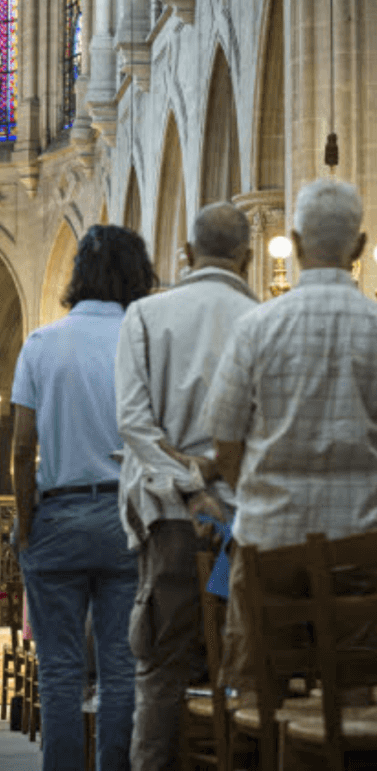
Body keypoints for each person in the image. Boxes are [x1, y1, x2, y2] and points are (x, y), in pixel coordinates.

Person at [204, 178, 377, 689]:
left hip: (269, 543)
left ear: (295, 245)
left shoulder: (256, 328)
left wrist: (257, 493)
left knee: (258, 692)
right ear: (360, 247)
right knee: (356, 693)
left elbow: (225, 442)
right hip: (363, 546)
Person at [114, 202, 258, 770]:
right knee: (241, 670)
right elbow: (259, 430)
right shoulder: (262, 319)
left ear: (187, 254)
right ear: (247, 256)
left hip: (167, 520)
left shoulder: (147, 316)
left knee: (159, 673)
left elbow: (132, 421)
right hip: (240, 528)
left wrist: (184, 481)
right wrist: (212, 478)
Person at [11, 224, 156, 771]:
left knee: (61, 672)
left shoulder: (43, 343)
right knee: (121, 669)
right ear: (137, 274)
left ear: (77, 276)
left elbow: (23, 449)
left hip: (60, 513)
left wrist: (28, 524)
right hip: (127, 514)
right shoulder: (143, 338)